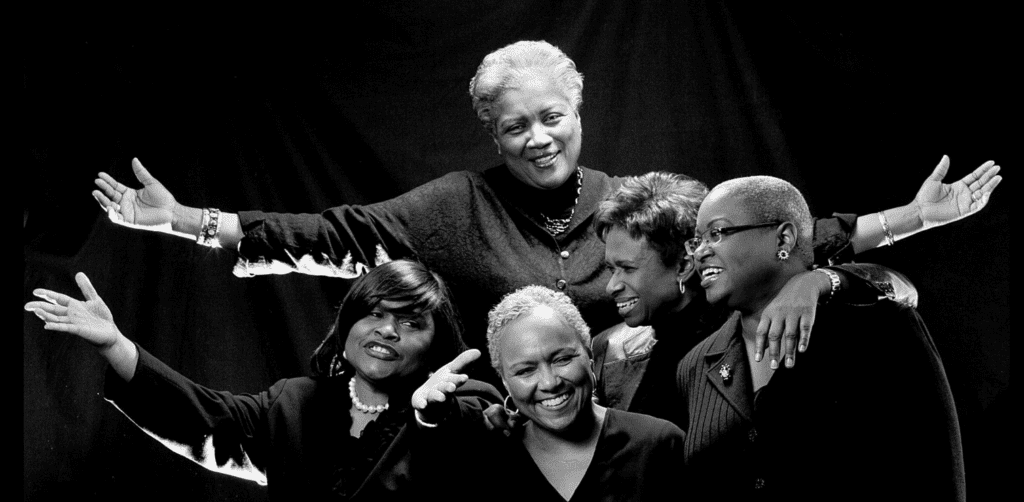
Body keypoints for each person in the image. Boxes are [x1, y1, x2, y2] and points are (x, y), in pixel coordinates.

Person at [89, 40, 999, 376]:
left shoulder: (637, 208)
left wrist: (916, 218)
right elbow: (331, 237)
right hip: (508, 447)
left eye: (550, 117)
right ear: (492, 131)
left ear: (578, 113)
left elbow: (784, 234)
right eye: (514, 125)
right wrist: (182, 220)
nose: (536, 138)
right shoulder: (453, 208)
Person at [24, 260, 501, 502]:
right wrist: (115, 345)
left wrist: (432, 413)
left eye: (411, 322)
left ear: (435, 343)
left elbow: (478, 428)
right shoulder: (295, 403)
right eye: (374, 313)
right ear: (349, 323)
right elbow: (205, 419)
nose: (387, 330)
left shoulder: (461, 404)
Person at [678, 176, 965, 502]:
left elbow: (937, 493)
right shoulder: (695, 366)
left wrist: (820, 280)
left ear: (783, 239)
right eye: (696, 240)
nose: (700, 252)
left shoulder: (878, 330)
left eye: (717, 233)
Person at [591, 171, 924, 425]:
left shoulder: (748, 317)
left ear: (682, 265)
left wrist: (819, 280)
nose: (611, 286)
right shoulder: (620, 352)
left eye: (627, 268)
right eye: (611, 269)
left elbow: (805, 240)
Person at [412, 285, 685, 502]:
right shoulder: (490, 462)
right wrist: (429, 415)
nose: (549, 382)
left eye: (562, 359)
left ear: (590, 356)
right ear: (505, 382)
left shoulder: (659, 445)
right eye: (525, 371)